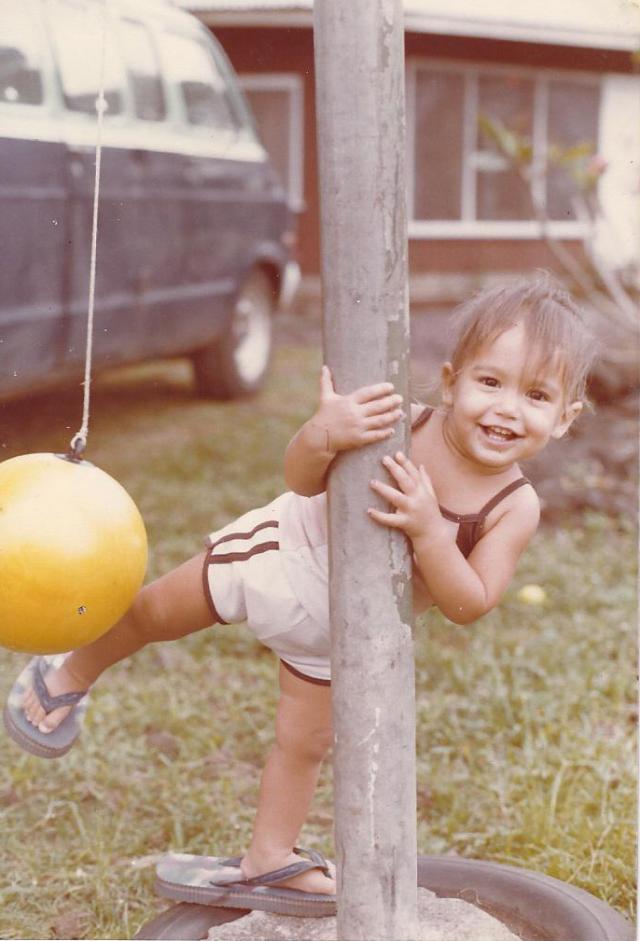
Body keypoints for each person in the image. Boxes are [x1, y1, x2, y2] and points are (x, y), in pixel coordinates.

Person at [4, 273, 594, 915]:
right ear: (451, 381)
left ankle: (267, 858)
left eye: (536, 395)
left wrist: (430, 530)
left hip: (342, 628)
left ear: (565, 418)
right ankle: (68, 674)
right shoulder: (403, 424)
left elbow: (469, 602)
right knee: (153, 612)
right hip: (280, 555)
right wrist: (324, 433)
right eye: (491, 382)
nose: (508, 407)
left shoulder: (515, 505)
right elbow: (302, 477)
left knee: (304, 742)